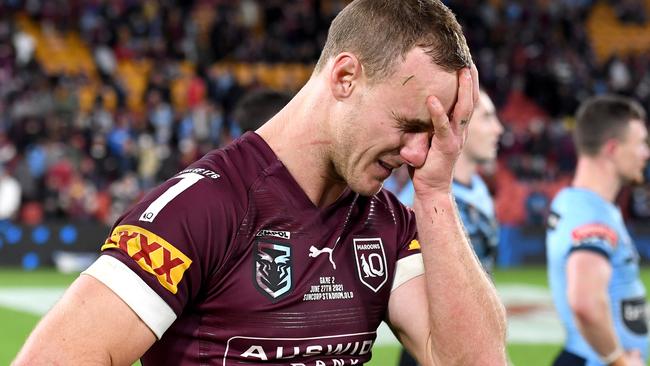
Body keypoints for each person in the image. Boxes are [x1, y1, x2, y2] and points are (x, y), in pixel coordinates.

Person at [14, 1, 507, 365]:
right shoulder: (201, 208)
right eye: (409, 125)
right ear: (345, 78)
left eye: (434, 134)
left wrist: (436, 193)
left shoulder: (389, 223)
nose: (417, 154)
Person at [396, 89, 504, 366]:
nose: (498, 128)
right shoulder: (417, 199)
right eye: (487, 117)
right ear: (459, 123)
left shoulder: (479, 191)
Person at [547, 95, 649, 366]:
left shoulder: (575, 201)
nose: (646, 153)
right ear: (613, 149)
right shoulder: (591, 215)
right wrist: (619, 361)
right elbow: (585, 302)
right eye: (641, 143)